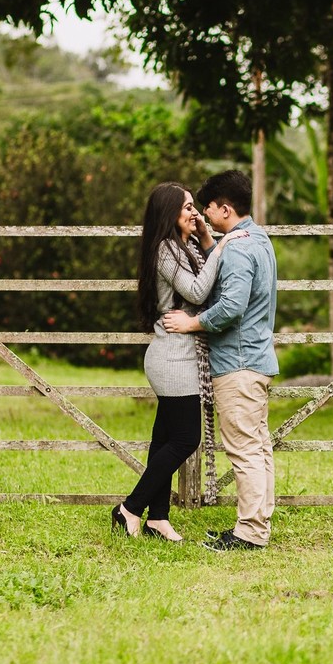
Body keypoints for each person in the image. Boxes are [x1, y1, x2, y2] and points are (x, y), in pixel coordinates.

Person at [111, 181, 246, 542]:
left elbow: (206, 284)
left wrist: (207, 240)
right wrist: (223, 246)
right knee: (186, 439)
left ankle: (157, 517)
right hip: (172, 358)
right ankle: (129, 508)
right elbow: (198, 291)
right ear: (169, 213)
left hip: (180, 355)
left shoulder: (184, 247)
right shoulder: (165, 250)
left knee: (164, 439)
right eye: (187, 207)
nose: (195, 213)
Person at [162, 170, 278, 551]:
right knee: (258, 448)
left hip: (238, 365)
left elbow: (231, 305)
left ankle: (250, 533)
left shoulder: (240, 248)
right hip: (256, 360)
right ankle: (258, 524)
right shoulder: (256, 239)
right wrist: (211, 241)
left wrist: (191, 323)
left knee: (245, 451)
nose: (204, 216)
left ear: (225, 209)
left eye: (208, 209)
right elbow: (230, 274)